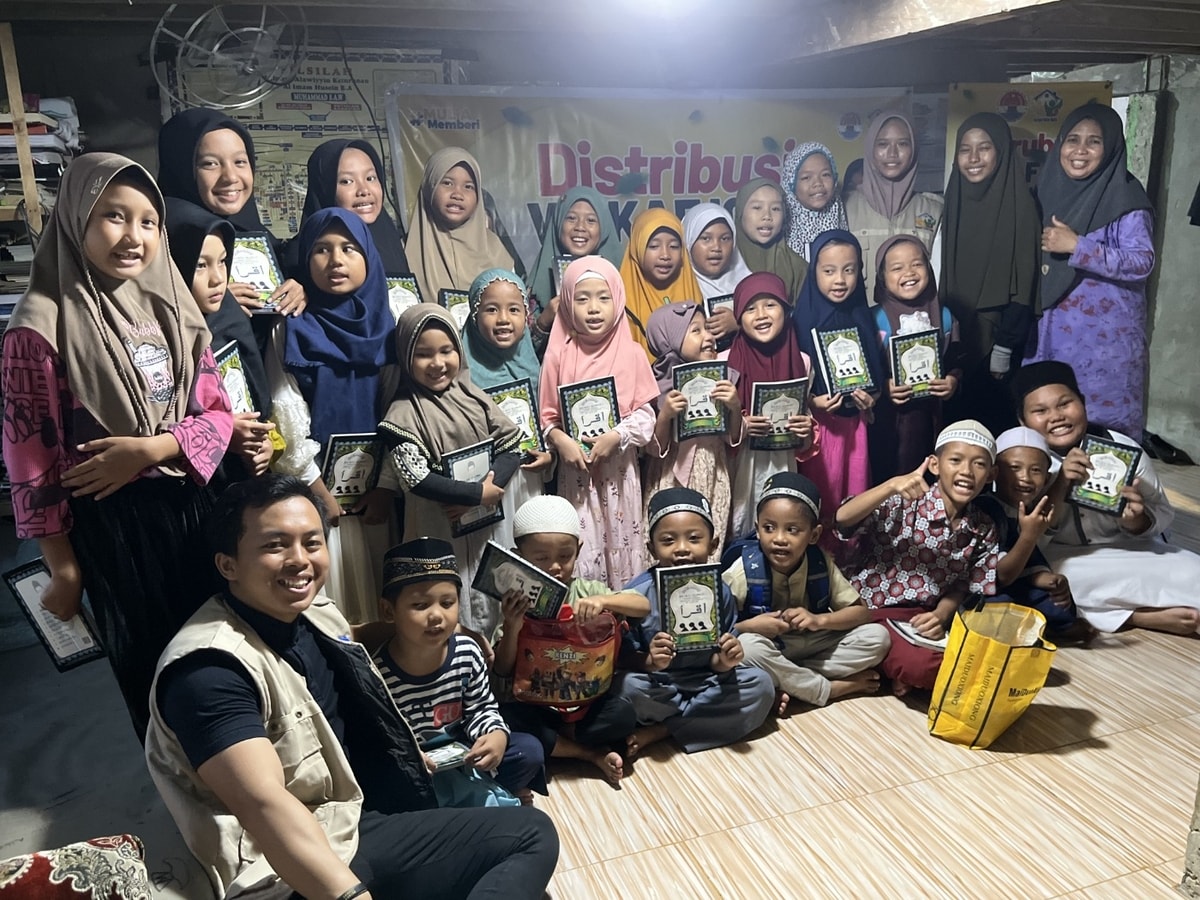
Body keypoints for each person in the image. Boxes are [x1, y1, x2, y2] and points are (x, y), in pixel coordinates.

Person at [145, 475, 558, 900]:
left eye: (311, 541)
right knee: (531, 836)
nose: (299, 560)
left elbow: (351, 637)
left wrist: (447, 631)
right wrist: (351, 895)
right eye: (275, 545)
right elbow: (265, 808)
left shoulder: (307, 612)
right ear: (227, 564)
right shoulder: (209, 671)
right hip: (294, 865)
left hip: (353, 812)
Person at [2, 153, 233, 741]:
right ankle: (190, 795)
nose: (134, 237)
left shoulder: (171, 308)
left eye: (148, 221)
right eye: (113, 217)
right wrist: (63, 567)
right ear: (76, 218)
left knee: (219, 657)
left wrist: (151, 450)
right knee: (155, 671)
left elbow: (218, 414)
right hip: (112, 529)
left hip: (187, 508)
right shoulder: (38, 327)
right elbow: (30, 463)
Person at [268, 207, 396, 624]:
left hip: (379, 498)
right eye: (321, 249)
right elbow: (284, 408)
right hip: (314, 500)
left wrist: (386, 486)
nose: (335, 260)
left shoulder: (390, 329)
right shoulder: (291, 327)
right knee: (333, 607)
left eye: (349, 248)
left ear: (369, 258)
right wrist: (317, 489)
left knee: (385, 604)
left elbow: (400, 409)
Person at [1014, 361, 1200, 635]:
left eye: (1065, 404)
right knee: (1041, 583)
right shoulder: (1021, 464)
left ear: (1084, 403)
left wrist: (1138, 521)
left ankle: (1114, 612)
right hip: (1061, 559)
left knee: (1191, 570)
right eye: (1040, 411)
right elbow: (1023, 540)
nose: (1056, 416)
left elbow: (1162, 515)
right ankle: (1138, 617)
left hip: (1128, 553)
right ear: (1023, 421)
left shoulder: (1123, 451)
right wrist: (1061, 482)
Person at [378, 304, 524, 642]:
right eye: (423, 354)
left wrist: (488, 492)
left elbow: (512, 447)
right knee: (445, 595)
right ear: (405, 357)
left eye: (446, 350)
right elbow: (416, 477)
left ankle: (497, 665)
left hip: (486, 521)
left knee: (491, 589)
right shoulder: (402, 412)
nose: (438, 363)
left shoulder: (472, 395)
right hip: (436, 523)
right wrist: (475, 495)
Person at [372, 538, 546, 805]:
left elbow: (481, 709)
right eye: (420, 606)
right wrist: (408, 758)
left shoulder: (467, 652)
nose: (436, 616)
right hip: (419, 768)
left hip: (464, 756)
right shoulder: (377, 673)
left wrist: (496, 736)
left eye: (447, 602)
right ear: (388, 610)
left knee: (528, 751)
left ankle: (475, 796)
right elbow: (381, 737)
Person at [835, 420, 1001, 696]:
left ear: (991, 474)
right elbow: (842, 521)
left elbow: (969, 586)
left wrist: (941, 614)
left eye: (979, 464)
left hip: (921, 620)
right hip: (870, 611)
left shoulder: (983, 527)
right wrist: (890, 485)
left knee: (986, 659)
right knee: (927, 666)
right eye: (956, 460)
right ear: (935, 465)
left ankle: (893, 670)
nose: (966, 471)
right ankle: (897, 670)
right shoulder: (903, 501)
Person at [493, 496, 648, 786]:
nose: (554, 566)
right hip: (535, 706)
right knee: (506, 719)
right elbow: (502, 669)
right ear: (518, 556)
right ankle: (588, 754)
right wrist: (512, 626)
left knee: (624, 714)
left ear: (578, 551)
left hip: (584, 705)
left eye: (565, 556)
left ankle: (561, 747)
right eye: (540, 558)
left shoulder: (588, 589)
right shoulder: (514, 601)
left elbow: (642, 605)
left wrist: (602, 600)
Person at [613, 488, 775, 755]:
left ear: (713, 544)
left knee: (760, 685)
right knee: (626, 689)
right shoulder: (636, 595)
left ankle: (664, 729)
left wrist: (725, 661)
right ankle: (700, 721)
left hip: (708, 681)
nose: (682, 549)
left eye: (694, 539)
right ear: (651, 548)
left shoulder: (719, 590)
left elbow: (718, 659)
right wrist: (650, 662)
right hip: (659, 685)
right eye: (668, 540)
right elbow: (622, 659)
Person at [1027, 103, 1155, 441]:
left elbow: (1142, 262)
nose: (1080, 150)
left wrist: (1077, 246)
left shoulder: (1125, 199)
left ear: (1110, 147)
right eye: (1072, 139)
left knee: (1103, 444)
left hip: (1104, 355)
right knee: (1047, 438)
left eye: (1094, 141)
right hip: (1047, 342)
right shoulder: (1045, 191)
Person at [538, 256, 659, 587]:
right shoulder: (558, 355)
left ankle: (623, 629)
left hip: (620, 475)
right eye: (582, 298)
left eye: (603, 297)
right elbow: (547, 419)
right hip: (577, 477)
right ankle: (588, 629)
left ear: (617, 300)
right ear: (566, 303)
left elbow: (646, 417)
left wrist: (617, 437)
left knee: (624, 549)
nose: (593, 308)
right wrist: (561, 441)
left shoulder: (632, 353)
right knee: (584, 553)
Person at [723, 472, 889, 710]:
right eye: (769, 528)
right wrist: (752, 626)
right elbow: (718, 630)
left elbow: (861, 614)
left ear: (814, 535)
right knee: (747, 650)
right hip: (768, 646)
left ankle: (789, 681)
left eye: (792, 530)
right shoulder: (743, 570)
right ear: (757, 530)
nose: (779, 539)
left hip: (811, 644)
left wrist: (819, 620)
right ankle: (828, 689)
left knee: (877, 639)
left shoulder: (819, 562)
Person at [940, 113, 1039, 435]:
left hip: (997, 341)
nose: (973, 158)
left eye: (984, 148)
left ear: (1002, 152)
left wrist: (1004, 348)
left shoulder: (1021, 205)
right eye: (965, 149)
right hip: (956, 340)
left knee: (993, 429)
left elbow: (1024, 286)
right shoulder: (954, 198)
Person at [165, 197, 275, 484]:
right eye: (200, 265)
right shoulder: (159, 338)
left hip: (242, 479)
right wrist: (222, 432)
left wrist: (265, 444)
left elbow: (255, 399)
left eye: (223, 262)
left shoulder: (230, 316)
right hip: (191, 488)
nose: (217, 279)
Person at [157, 108, 306, 316]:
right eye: (210, 164)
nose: (230, 177)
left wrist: (300, 292)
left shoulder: (265, 241)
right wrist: (208, 300)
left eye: (240, 162)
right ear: (182, 170)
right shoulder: (159, 248)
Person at [793, 230, 882, 531]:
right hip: (819, 429)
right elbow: (790, 380)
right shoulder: (800, 319)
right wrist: (811, 401)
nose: (840, 280)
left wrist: (872, 398)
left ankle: (852, 561)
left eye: (849, 269)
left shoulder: (861, 314)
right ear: (814, 270)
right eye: (829, 271)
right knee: (822, 492)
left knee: (855, 489)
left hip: (855, 426)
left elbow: (876, 374)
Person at [974, 426, 1090, 642]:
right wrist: (1029, 535)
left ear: (1046, 479)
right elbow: (1001, 575)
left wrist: (1047, 578)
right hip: (984, 584)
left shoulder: (1026, 512)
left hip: (1014, 579)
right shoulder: (986, 509)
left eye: (1036, 470)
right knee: (998, 606)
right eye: (1015, 468)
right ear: (994, 473)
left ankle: (1045, 627)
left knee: (1059, 603)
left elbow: (1030, 559)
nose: (1025, 477)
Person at [644, 301, 744, 548]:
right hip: (670, 476)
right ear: (671, 340)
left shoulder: (723, 379)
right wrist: (665, 415)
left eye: (708, 329)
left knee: (710, 537)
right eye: (696, 331)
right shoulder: (655, 385)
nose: (708, 337)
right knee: (670, 537)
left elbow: (734, 438)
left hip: (714, 473)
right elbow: (654, 449)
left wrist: (733, 406)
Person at [727, 272, 818, 538]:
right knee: (738, 532)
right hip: (739, 468)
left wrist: (806, 430)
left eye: (771, 304)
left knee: (777, 530)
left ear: (786, 310)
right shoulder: (725, 362)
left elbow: (806, 421)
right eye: (750, 308)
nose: (761, 315)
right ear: (739, 317)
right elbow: (714, 433)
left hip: (782, 463)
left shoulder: (803, 361)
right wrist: (741, 424)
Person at [871, 235, 964, 481]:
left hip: (933, 419)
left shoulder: (944, 316)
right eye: (897, 268)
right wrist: (883, 387)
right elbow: (866, 371)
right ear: (882, 277)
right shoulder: (874, 319)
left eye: (917, 264)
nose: (909, 273)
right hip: (888, 425)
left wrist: (952, 381)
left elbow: (957, 361)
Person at [844, 111, 944, 294]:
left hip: (918, 321)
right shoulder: (845, 209)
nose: (892, 153)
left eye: (903, 144)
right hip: (862, 320)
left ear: (913, 150)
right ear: (870, 150)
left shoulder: (934, 210)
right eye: (882, 144)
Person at [405, 147, 515, 305]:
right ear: (430, 187)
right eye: (447, 183)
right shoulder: (404, 251)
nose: (457, 194)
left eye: (468, 186)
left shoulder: (496, 251)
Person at [527, 186, 624, 354]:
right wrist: (544, 321)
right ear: (558, 222)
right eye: (571, 218)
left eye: (591, 220)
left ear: (604, 227)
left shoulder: (621, 277)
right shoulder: (535, 286)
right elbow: (520, 354)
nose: (580, 227)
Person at [300, 139, 409, 276]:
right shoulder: (301, 257)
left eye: (370, 178)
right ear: (325, 190)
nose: (364, 190)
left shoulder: (390, 241)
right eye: (347, 181)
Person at [619, 208, 703, 355]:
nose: (665, 255)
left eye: (674, 246)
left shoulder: (694, 293)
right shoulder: (618, 304)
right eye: (654, 246)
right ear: (636, 249)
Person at [680, 203, 751, 350]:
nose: (716, 247)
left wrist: (739, 322)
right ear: (688, 241)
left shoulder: (751, 286)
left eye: (725, 239)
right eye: (706, 239)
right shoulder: (679, 288)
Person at [733, 177, 808, 301]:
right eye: (757, 207)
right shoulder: (722, 262)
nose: (767, 216)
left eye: (775, 209)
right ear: (740, 211)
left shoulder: (798, 268)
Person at [781, 142, 848, 261]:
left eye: (825, 175)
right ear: (791, 184)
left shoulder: (841, 221)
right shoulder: (778, 232)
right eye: (806, 177)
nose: (818, 183)